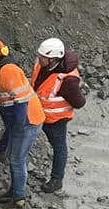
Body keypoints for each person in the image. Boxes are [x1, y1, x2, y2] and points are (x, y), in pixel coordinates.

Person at [0, 37, 44, 207]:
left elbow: (21, 102)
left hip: (27, 122)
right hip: (22, 122)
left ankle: (18, 200)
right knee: (13, 157)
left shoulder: (7, 71)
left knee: (17, 159)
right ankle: (13, 192)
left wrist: (17, 129)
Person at [30, 37, 86, 193]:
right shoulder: (43, 65)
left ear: (53, 59)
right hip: (36, 111)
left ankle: (56, 180)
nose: (38, 59)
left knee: (59, 148)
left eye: (42, 57)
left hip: (55, 120)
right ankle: (1, 150)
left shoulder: (68, 81)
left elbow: (79, 102)